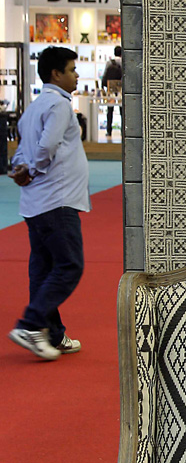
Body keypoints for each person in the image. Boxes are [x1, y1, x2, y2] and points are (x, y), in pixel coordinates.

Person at [7, 45, 89, 360]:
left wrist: (21, 169)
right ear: (56, 74)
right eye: (72, 70)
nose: (76, 75)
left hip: (37, 204)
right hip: (57, 201)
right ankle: (30, 325)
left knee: (43, 269)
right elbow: (46, 146)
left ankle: (53, 335)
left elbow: (21, 151)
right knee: (69, 265)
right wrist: (32, 168)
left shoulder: (33, 108)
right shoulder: (59, 105)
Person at [101, 45, 122, 137]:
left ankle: (109, 131)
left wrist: (103, 86)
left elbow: (104, 75)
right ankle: (123, 131)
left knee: (110, 109)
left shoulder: (109, 62)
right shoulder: (123, 62)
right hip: (120, 88)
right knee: (122, 110)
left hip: (111, 88)